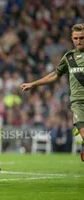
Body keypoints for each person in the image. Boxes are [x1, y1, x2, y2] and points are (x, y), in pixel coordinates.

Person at [21, 23, 84, 162]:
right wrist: (33, 84)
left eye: (82, 38)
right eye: (75, 38)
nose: (78, 41)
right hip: (78, 102)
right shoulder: (69, 57)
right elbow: (55, 75)